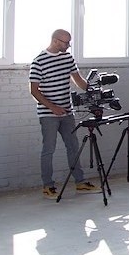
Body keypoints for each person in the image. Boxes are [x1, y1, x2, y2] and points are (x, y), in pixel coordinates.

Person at [29, 29, 97, 197]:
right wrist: (53, 107)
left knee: (73, 146)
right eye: (66, 42)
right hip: (48, 114)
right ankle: (47, 186)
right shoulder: (38, 61)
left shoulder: (68, 58)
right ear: (55, 41)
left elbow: (78, 80)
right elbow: (34, 91)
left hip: (67, 112)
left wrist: (93, 90)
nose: (68, 45)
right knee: (48, 149)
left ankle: (80, 182)